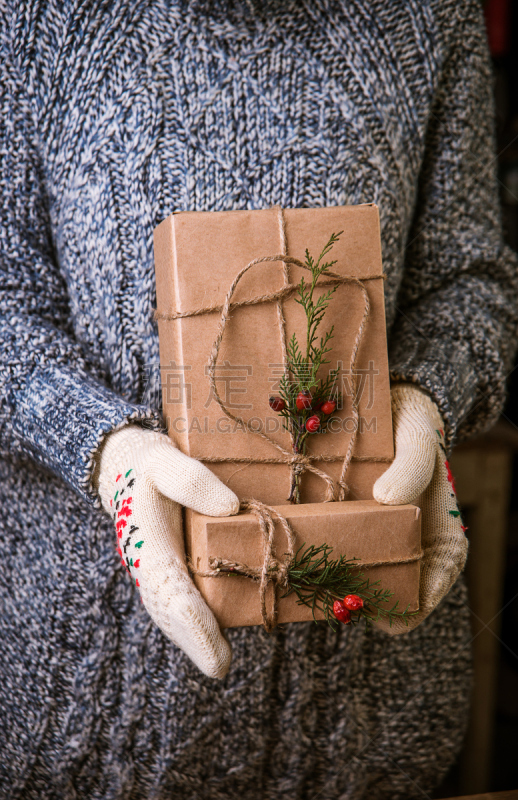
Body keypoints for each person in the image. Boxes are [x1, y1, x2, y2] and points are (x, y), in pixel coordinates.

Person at [1, 1, 517, 797]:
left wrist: (429, 399)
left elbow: (469, 280)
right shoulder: (34, 22)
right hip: (85, 720)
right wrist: (105, 449)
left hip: (370, 729)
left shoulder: (428, 19)